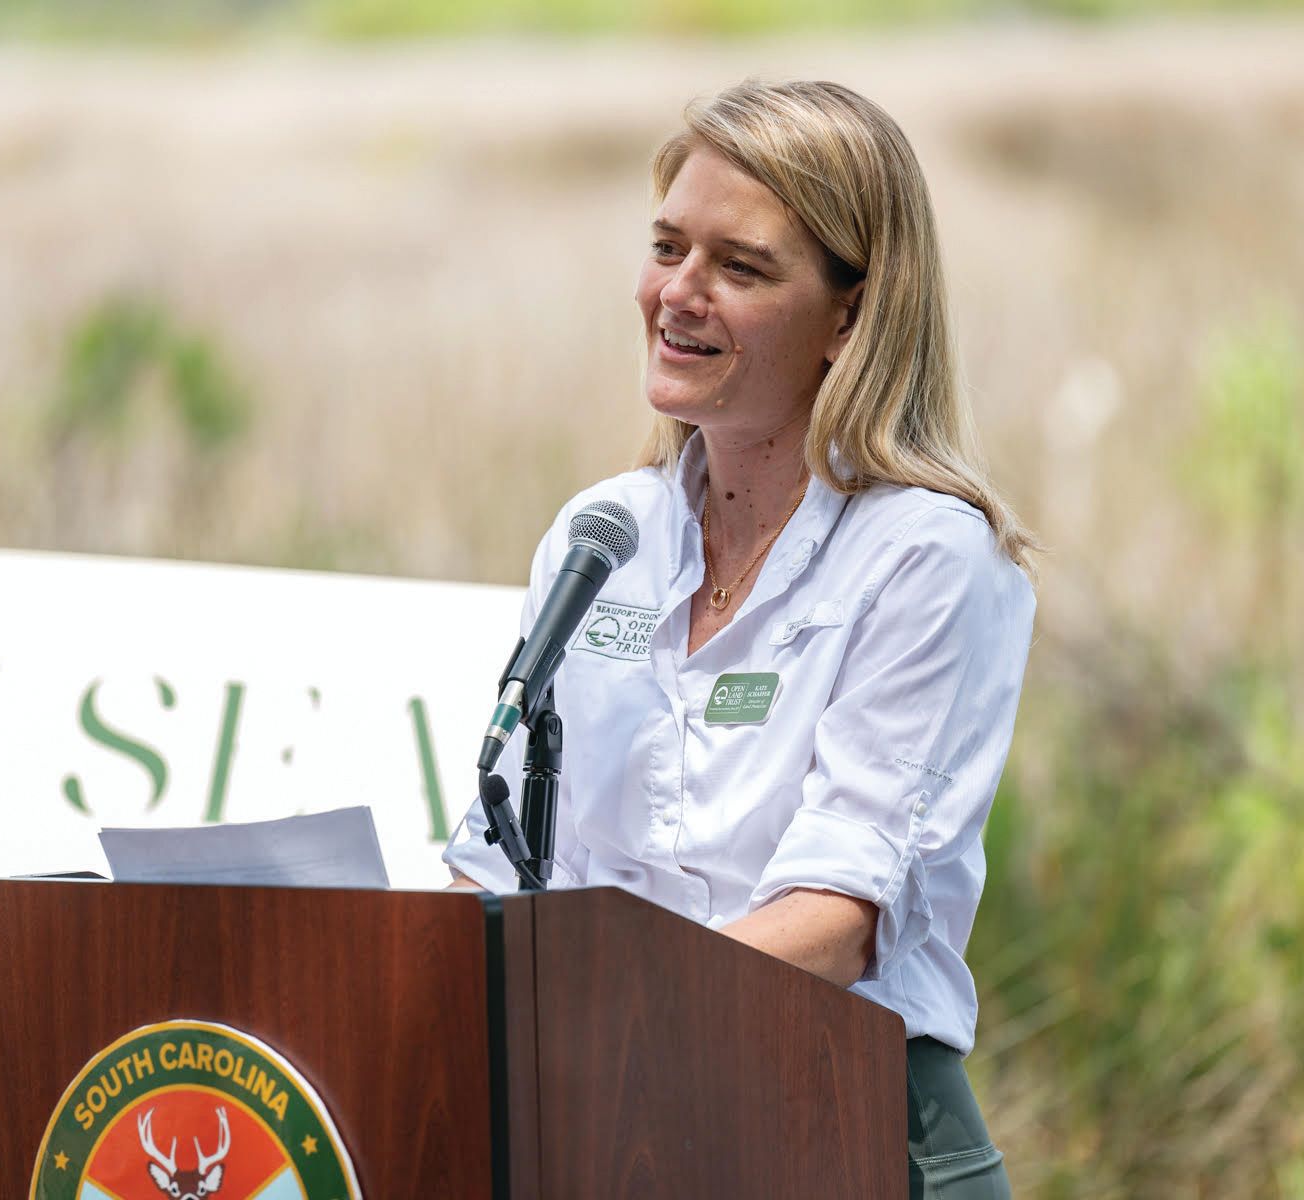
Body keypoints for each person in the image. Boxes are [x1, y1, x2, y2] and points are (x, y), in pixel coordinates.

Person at [443, 78, 1036, 1199]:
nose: (678, 293)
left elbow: (838, 920)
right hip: (609, 1120)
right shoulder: (603, 533)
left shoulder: (926, 556)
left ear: (852, 318)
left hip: (847, 1124)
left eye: (742, 268)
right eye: (668, 247)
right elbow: (498, 856)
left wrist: (595, 1018)